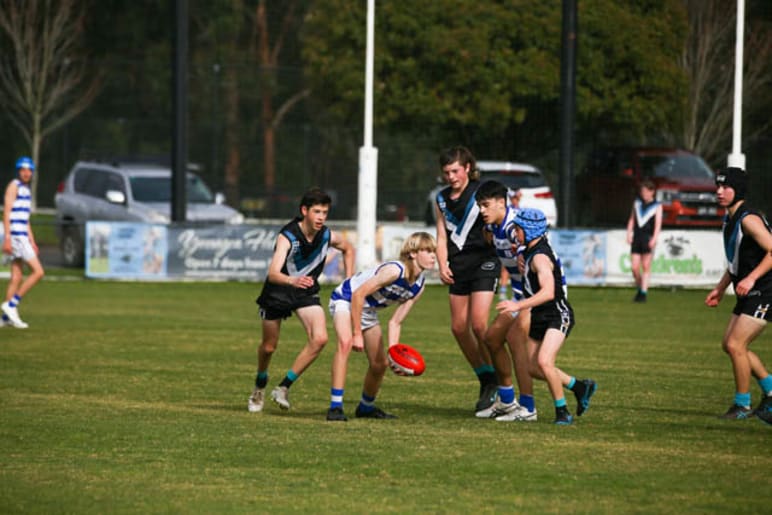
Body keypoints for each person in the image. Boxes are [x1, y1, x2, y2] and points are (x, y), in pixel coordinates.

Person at [247, 188, 355, 413]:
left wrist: (348, 282)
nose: (321, 217)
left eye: (325, 212)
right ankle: (260, 384)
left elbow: (348, 248)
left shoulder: (326, 235)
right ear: (304, 211)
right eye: (317, 211)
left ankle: (284, 387)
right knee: (268, 347)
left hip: (305, 292)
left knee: (320, 339)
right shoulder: (288, 236)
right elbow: (273, 273)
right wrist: (292, 280)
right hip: (278, 291)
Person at [497, 208, 597, 425]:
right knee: (532, 368)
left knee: (544, 362)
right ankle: (579, 387)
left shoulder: (540, 257)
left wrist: (518, 304)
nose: (515, 233)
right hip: (540, 315)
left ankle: (562, 412)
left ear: (530, 230)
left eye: (518, 229)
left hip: (557, 314)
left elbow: (548, 292)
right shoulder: (531, 251)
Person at [326, 232, 437, 421]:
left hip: (367, 311)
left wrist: (395, 355)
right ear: (412, 253)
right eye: (427, 250)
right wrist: (357, 334)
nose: (433, 255)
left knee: (380, 364)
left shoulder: (419, 286)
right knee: (345, 345)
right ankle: (335, 407)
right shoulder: (395, 271)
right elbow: (358, 294)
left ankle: (366, 407)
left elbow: (395, 321)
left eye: (433, 251)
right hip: (345, 299)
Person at [434, 146, 501, 416]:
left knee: (479, 324)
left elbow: (499, 219)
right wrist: (442, 264)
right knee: (459, 328)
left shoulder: (481, 191)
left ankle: (502, 379)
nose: (451, 177)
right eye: (447, 172)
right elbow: (440, 235)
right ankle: (486, 377)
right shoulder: (441, 199)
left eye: (456, 171)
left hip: (484, 261)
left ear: (468, 169)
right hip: (458, 265)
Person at [704, 167, 772, 423]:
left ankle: (742, 405)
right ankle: (770, 391)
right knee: (730, 345)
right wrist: (720, 288)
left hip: (765, 290)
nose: (719, 192)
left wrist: (752, 277)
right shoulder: (730, 218)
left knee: (736, 345)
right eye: (718, 186)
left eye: (726, 187)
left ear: (738, 190)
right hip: (751, 290)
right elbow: (736, 261)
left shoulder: (748, 219)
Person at [475, 180, 537, 421]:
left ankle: (528, 407)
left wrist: (522, 253)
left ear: (502, 203)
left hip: (533, 296)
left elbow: (526, 242)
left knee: (515, 343)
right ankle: (508, 400)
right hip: (519, 294)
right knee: (491, 339)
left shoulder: (513, 226)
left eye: (486, 205)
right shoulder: (493, 226)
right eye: (480, 205)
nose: (482, 210)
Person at [1, 157, 45, 329]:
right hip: (16, 236)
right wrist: (7, 238)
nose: (26, 173)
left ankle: (6, 318)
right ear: (18, 171)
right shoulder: (14, 186)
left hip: (23, 236)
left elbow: (25, 219)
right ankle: (11, 305)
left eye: (29, 170)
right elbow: (7, 213)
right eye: (23, 170)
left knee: (17, 276)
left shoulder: (26, 189)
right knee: (39, 272)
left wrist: (32, 240)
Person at [626, 179, 662, 303]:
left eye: (647, 191)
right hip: (637, 237)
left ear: (652, 192)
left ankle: (643, 293)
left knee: (646, 266)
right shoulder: (637, 203)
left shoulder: (657, 206)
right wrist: (629, 233)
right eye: (643, 191)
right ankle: (640, 288)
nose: (644, 194)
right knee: (634, 268)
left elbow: (658, 224)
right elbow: (632, 219)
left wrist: (654, 238)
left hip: (648, 237)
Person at [497, 187, 522, 301]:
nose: (515, 199)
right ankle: (503, 290)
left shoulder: (519, 210)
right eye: (514, 197)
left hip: (515, 247)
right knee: (506, 268)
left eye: (517, 197)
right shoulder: (508, 211)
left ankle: (516, 292)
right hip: (506, 245)